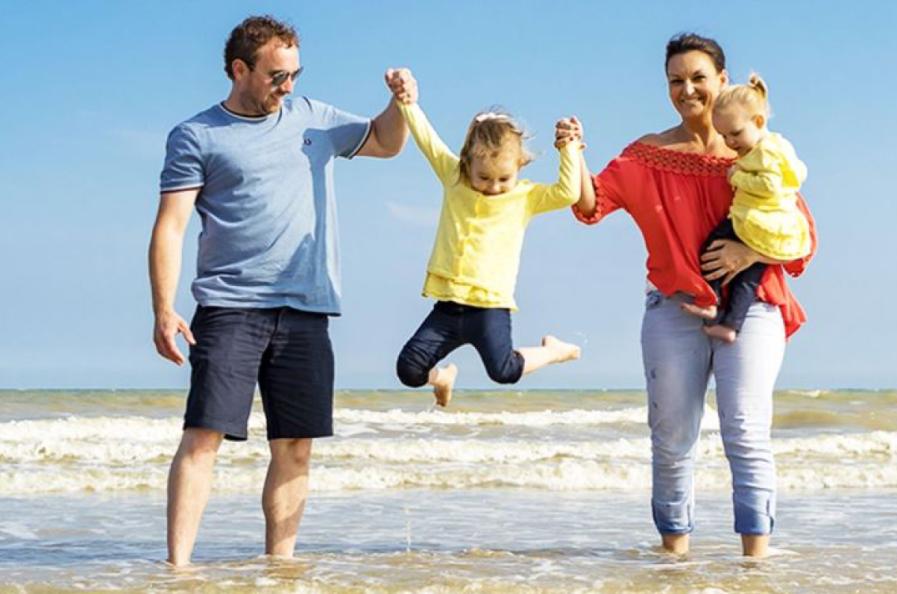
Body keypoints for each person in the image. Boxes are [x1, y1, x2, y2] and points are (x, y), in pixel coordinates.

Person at [148, 15, 416, 566]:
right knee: (203, 439)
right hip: (228, 308)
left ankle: (281, 568)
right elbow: (170, 225)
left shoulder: (313, 117)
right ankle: (176, 571)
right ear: (239, 69)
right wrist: (163, 308)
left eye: (293, 74)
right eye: (275, 75)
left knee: (295, 446)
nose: (287, 86)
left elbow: (388, 143)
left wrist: (401, 103)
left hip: (307, 309)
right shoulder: (196, 135)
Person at [557, 33, 817, 557]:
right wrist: (572, 154)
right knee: (672, 439)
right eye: (676, 80)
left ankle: (755, 566)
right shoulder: (647, 155)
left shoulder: (757, 152)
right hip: (673, 310)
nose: (687, 89)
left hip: (755, 306)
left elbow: (800, 235)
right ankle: (673, 561)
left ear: (723, 80)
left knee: (745, 432)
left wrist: (747, 253)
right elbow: (592, 203)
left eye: (699, 77)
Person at [390, 77, 583, 407]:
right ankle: (443, 377)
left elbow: (569, 192)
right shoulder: (454, 178)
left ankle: (553, 351)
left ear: (520, 165)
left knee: (503, 371)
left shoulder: (525, 197)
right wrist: (406, 101)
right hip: (448, 306)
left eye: (503, 179)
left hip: (491, 308)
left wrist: (569, 149)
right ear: (467, 163)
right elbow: (427, 140)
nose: (493, 186)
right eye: (484, 177)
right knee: (408, 369)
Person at [681, 74, 811, 342]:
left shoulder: (765, 151)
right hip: (765, 224)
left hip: (755, 220)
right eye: (724, 136)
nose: (730, 143)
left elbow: (770, 184)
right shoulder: (778, 147)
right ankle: (730, 326)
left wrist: (736, 177)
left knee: (713, 245)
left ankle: (710, 299)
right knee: (747, 279)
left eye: (736, 133)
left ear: (759, 121)